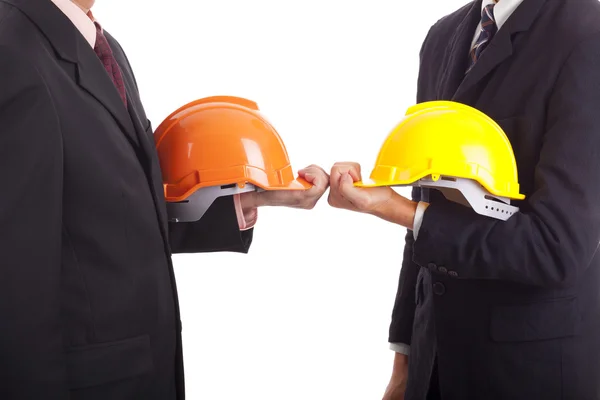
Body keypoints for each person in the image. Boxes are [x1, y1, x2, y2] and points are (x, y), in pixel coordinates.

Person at [0, 0, 328, 398]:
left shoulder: (102, 45)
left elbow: (114, 211)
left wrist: (263, 198)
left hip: (141, 373)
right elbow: (15, 278)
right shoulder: (11, 49)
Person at [329, 0, 600, 399]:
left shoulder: (586, 31)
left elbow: (557, 247)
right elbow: (424, 213)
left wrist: (396, 210)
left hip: (528, 373)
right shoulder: (443, 37)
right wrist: (403, 361)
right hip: (432, 365)